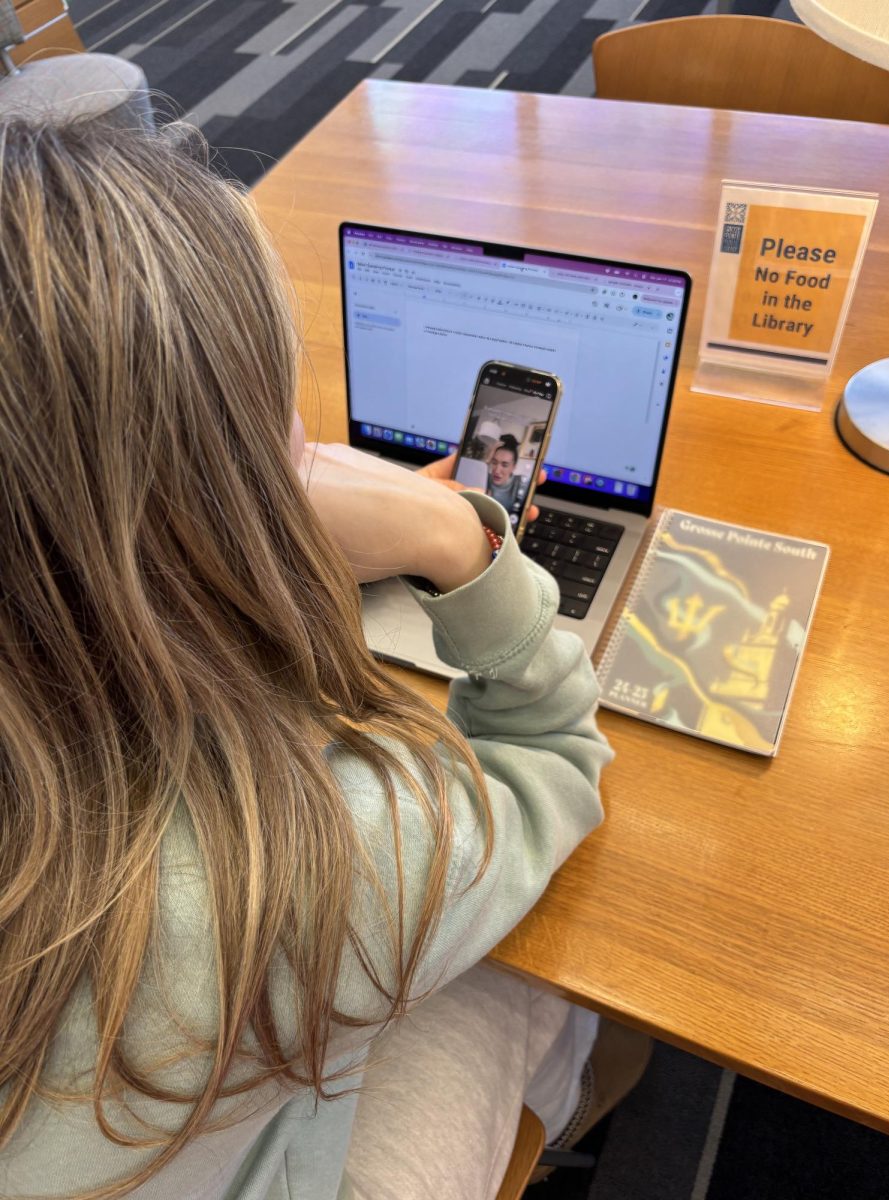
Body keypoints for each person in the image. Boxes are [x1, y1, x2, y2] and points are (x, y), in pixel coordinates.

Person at [0, 116, 649, 1200]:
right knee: (541, 974)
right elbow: (552, 762)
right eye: (278, 441)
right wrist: (453, 539)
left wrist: (226, 568)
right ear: (210, 505)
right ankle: (595, 1107)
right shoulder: (317, 859)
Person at [485, 433, 528, 517]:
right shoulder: (483, 478)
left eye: (504, 465)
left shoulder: (521, 483)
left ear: (513, 467)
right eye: (494, 462)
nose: (497, 470)